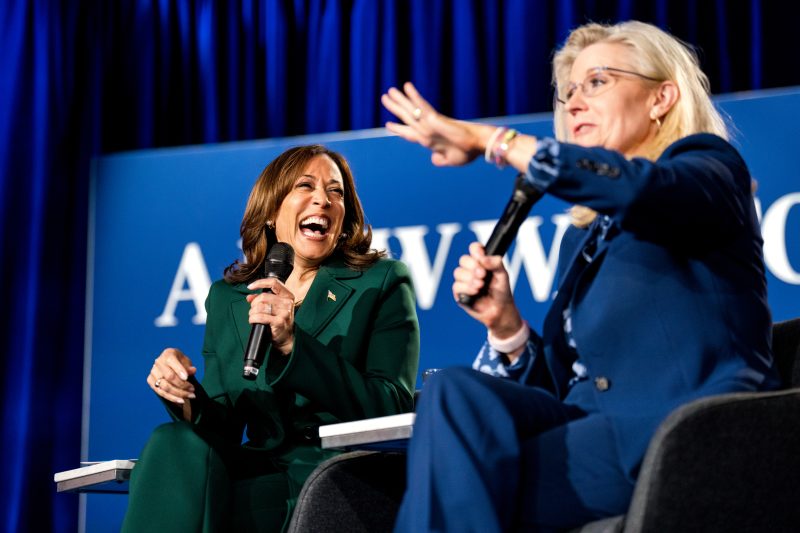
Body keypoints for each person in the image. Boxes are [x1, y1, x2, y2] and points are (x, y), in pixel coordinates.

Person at [380, 20, 779, 531]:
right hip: (595, 437)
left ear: (662, 98)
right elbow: (562, 390)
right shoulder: (583, 238)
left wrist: (489, 140)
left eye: (597, 81)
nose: (573, 103)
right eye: (568, 91)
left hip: (685, 436)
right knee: (455, 393)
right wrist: (507, 328)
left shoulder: (708, 171)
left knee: (458, 494)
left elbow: (639, 190)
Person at [121, 144, 420, 532]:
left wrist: (294, 345)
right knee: (172, 441)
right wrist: (184, 390)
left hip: (335, 472)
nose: (323, 200)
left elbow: (392, 408)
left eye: (336, 192)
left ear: (345, 218)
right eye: (305, 186)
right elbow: (224, 425)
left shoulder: (379, 282)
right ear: (271, 212)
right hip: (257, 469)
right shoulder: (230, 298)